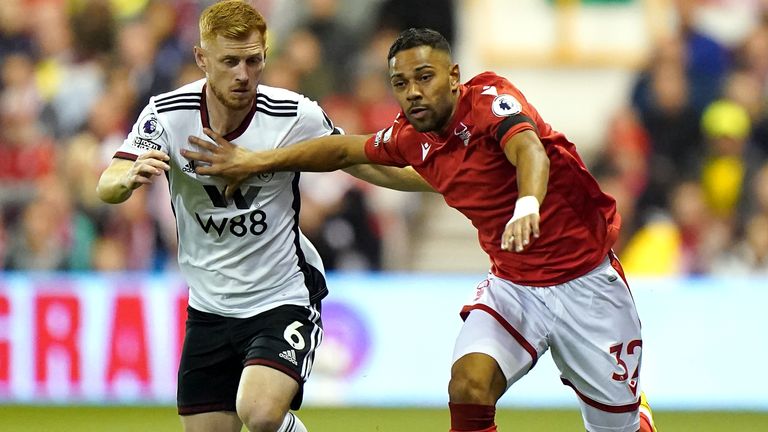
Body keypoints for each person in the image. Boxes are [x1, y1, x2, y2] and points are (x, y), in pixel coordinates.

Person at [182, 28, 659, 432]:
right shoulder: (412, 139)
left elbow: (529, 150)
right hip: (515, 286)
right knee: (468, 384)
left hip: (587, 286)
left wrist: (528, 202)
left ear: (454, 78)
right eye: (400, 83)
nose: (412, 91)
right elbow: (342, 150)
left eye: (424, 77)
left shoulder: (491, 98)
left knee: (616, 427)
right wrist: (253, 161)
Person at [96, 3, 430, 432]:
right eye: (229, 61)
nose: (242, 73)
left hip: (281, 296)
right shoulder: (168, 113)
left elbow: (360, 161)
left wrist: (445, 182)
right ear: (202, 59)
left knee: (260, 411)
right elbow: (109, 179)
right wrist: (126, 179)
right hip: (209, 307)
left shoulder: (294, 115)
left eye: (253, 60)